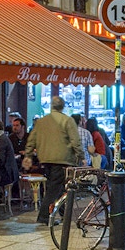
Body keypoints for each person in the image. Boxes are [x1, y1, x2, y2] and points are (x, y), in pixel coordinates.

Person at [22, 96, 85, 225]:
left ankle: (63, 213)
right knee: (55, 188)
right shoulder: (67, 121)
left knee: (59, 187)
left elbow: (31, 140)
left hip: (45, 159)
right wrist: (81, 157)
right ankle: (44, 216)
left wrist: (28, 155)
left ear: (51, 106)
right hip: (63, 159)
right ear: (63, 106)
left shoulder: (41, 122)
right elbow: (75, 141)